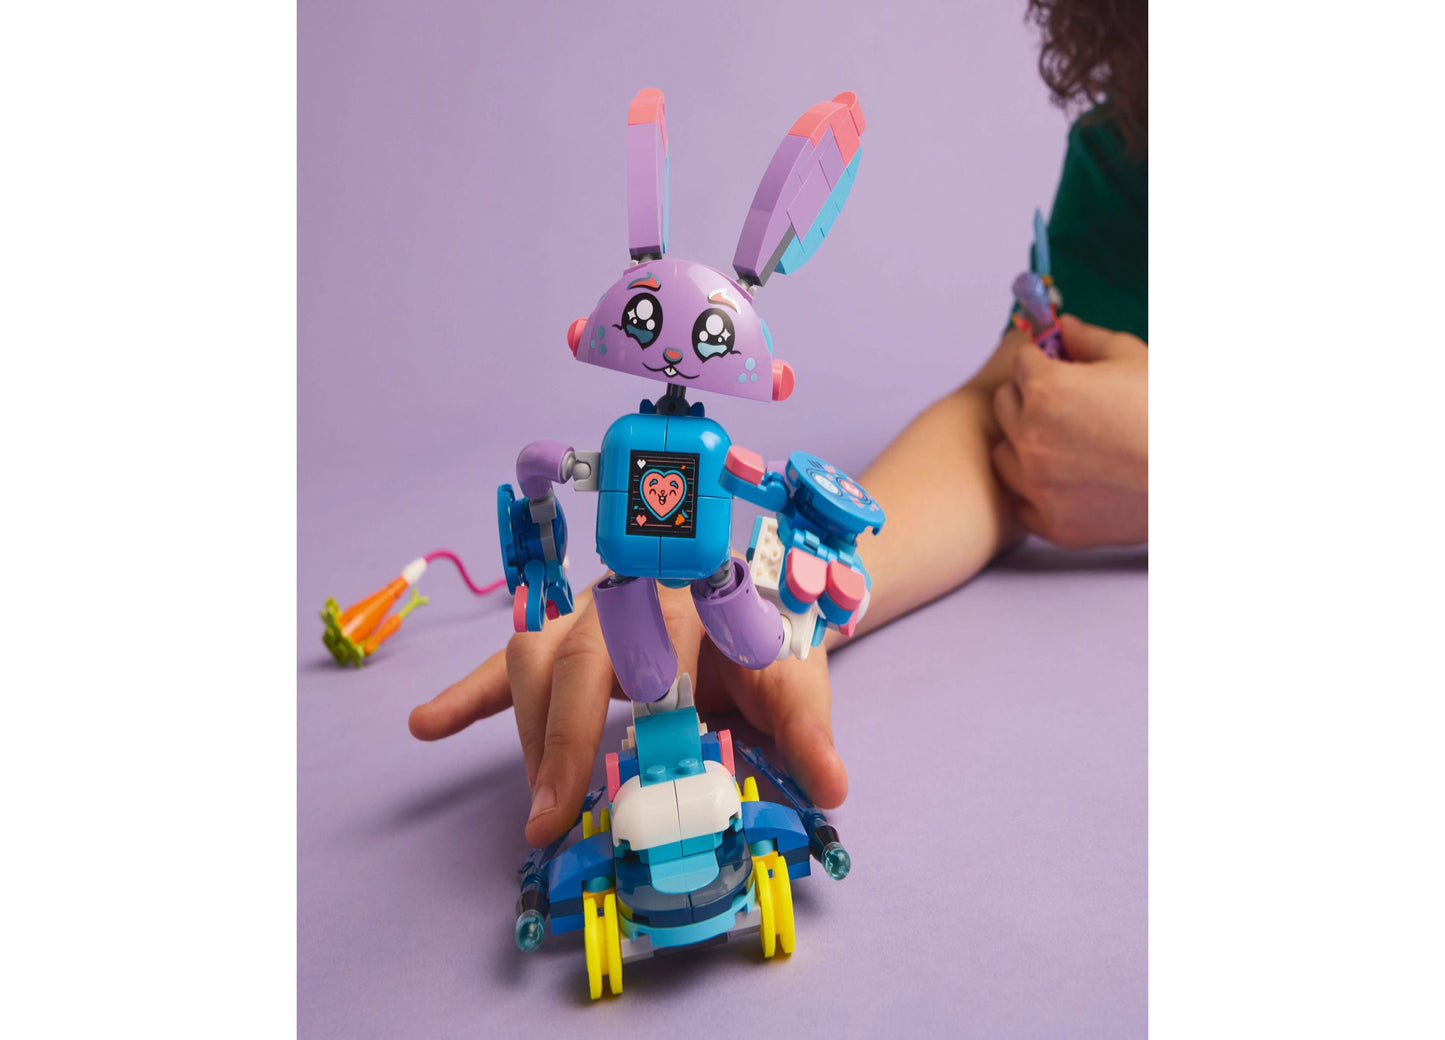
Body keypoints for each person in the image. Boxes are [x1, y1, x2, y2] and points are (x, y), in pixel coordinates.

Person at [409, 0, 1148, 848]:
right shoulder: (1129, 143)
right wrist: (796, 590)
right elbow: (1020, 421)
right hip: (674, 591)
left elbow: (760, 481)